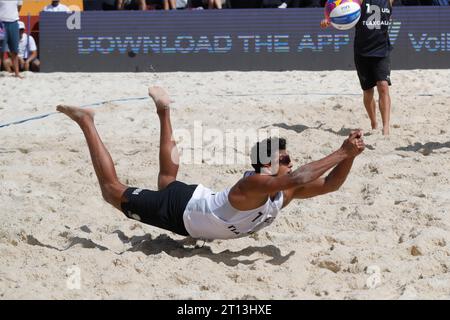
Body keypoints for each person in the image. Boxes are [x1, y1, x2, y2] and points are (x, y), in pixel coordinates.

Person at [56, 86, 365, 240]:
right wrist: (340, 151)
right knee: (112, 191)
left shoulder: (281, 194)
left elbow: (331, 184)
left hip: (196, 201)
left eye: (289, 158)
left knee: (167, 181)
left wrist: (348, 158)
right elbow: (298, 178)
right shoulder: (254, 183)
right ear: (266, 166)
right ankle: (86, 122)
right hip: (183, 214)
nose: (290, 162)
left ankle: (164, 112)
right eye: (283, 159)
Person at [321, 0, 394, 135]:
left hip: (382, 51)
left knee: (383, 86)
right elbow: (342, 9)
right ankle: (373, 122)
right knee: (368, 91)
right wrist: (329, 20)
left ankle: (386, 128)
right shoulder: (359, 1)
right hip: (362, 52)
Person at [0, 0, 23, 78]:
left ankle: (17, 73)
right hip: (1, 24)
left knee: (14, 50)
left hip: (13, 23)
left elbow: (18, 8)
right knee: (1, 50)